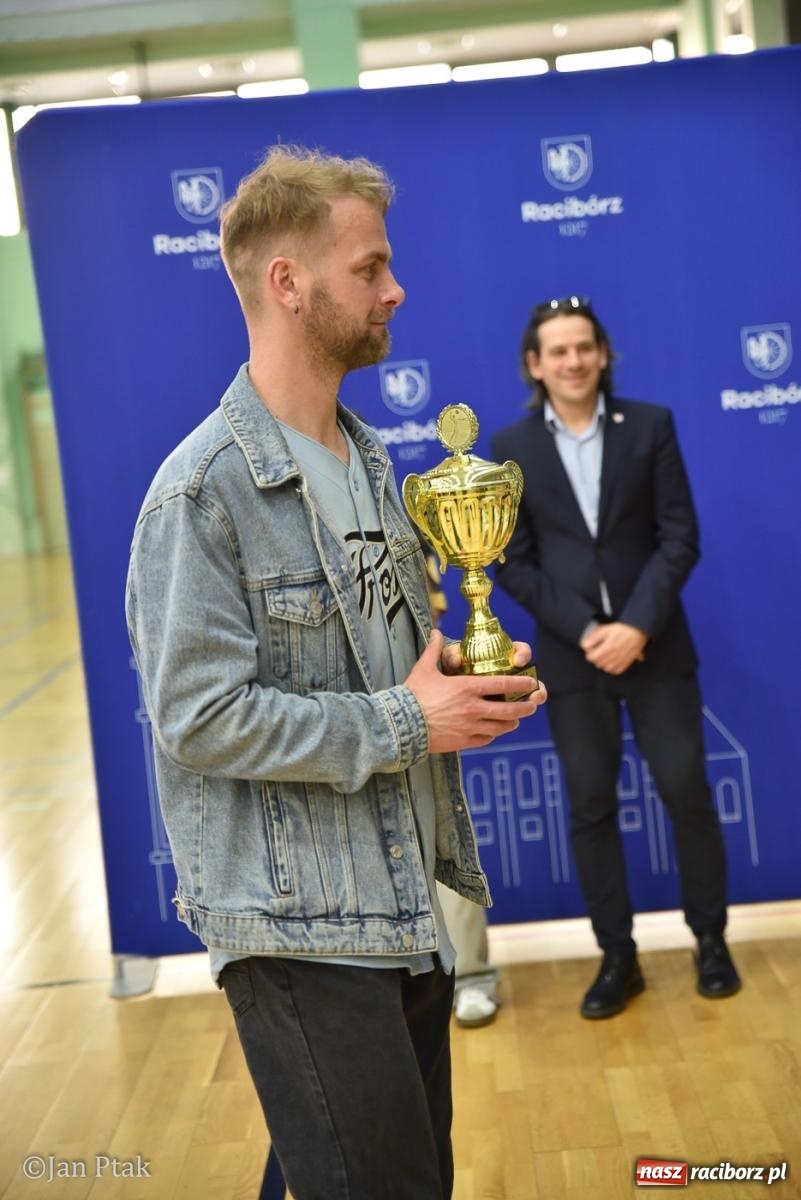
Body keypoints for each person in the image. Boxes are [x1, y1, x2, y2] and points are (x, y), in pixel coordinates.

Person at [125, 145, 547, 1200]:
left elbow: (382, 670)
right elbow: (199, 716)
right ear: (286, 282)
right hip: (296, 932)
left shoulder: (370, 463)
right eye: (369, 268)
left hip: (402, 907)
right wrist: (411, 722)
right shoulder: (202, 495)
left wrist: (465, 675)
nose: (395, 287)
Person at [490, 295, 740, 1020]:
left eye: (583, 348)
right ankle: (617, 958)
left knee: (687, 794)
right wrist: (588, 631)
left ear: (601, 355)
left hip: (656, 650)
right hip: (573, 662)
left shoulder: (651, 427)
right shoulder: (510, 449)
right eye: (556, 351)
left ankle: (711, 941)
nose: (572, 361)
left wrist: (633, 626)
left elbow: (677, 537)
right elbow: (513, 563)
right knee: (591, 806)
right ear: (534, 365)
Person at [418, 533, 501, 1028]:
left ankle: (471, 975)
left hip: (413, 682)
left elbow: (429, 606)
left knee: (441, 828)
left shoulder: (381, 497)